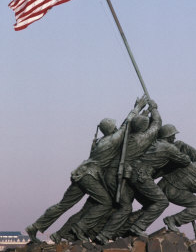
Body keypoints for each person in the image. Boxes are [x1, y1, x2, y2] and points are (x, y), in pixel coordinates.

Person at [25, 96, 147, 242]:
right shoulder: (112, 141)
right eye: (113, 126)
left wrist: (139, 114)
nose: (115, 128)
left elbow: (123, 129)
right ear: (110, 129)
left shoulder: (102, 141)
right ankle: (79, 228)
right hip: (90, 176)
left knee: (63, 205)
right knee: (106, 202)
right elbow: (125, 126)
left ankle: (35, 226)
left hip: (81, 173)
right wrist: (137, 108)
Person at [64, 99, 162, 242]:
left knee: (113, 205)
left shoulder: (124, 137)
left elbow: (127, 125)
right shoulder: (143, 139)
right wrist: (154, 109)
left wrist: (142, 111)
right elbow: (157, 124)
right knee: (125, 207)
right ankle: (97, 232)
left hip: (109, 174)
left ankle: (91, 231)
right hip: (117, 175)